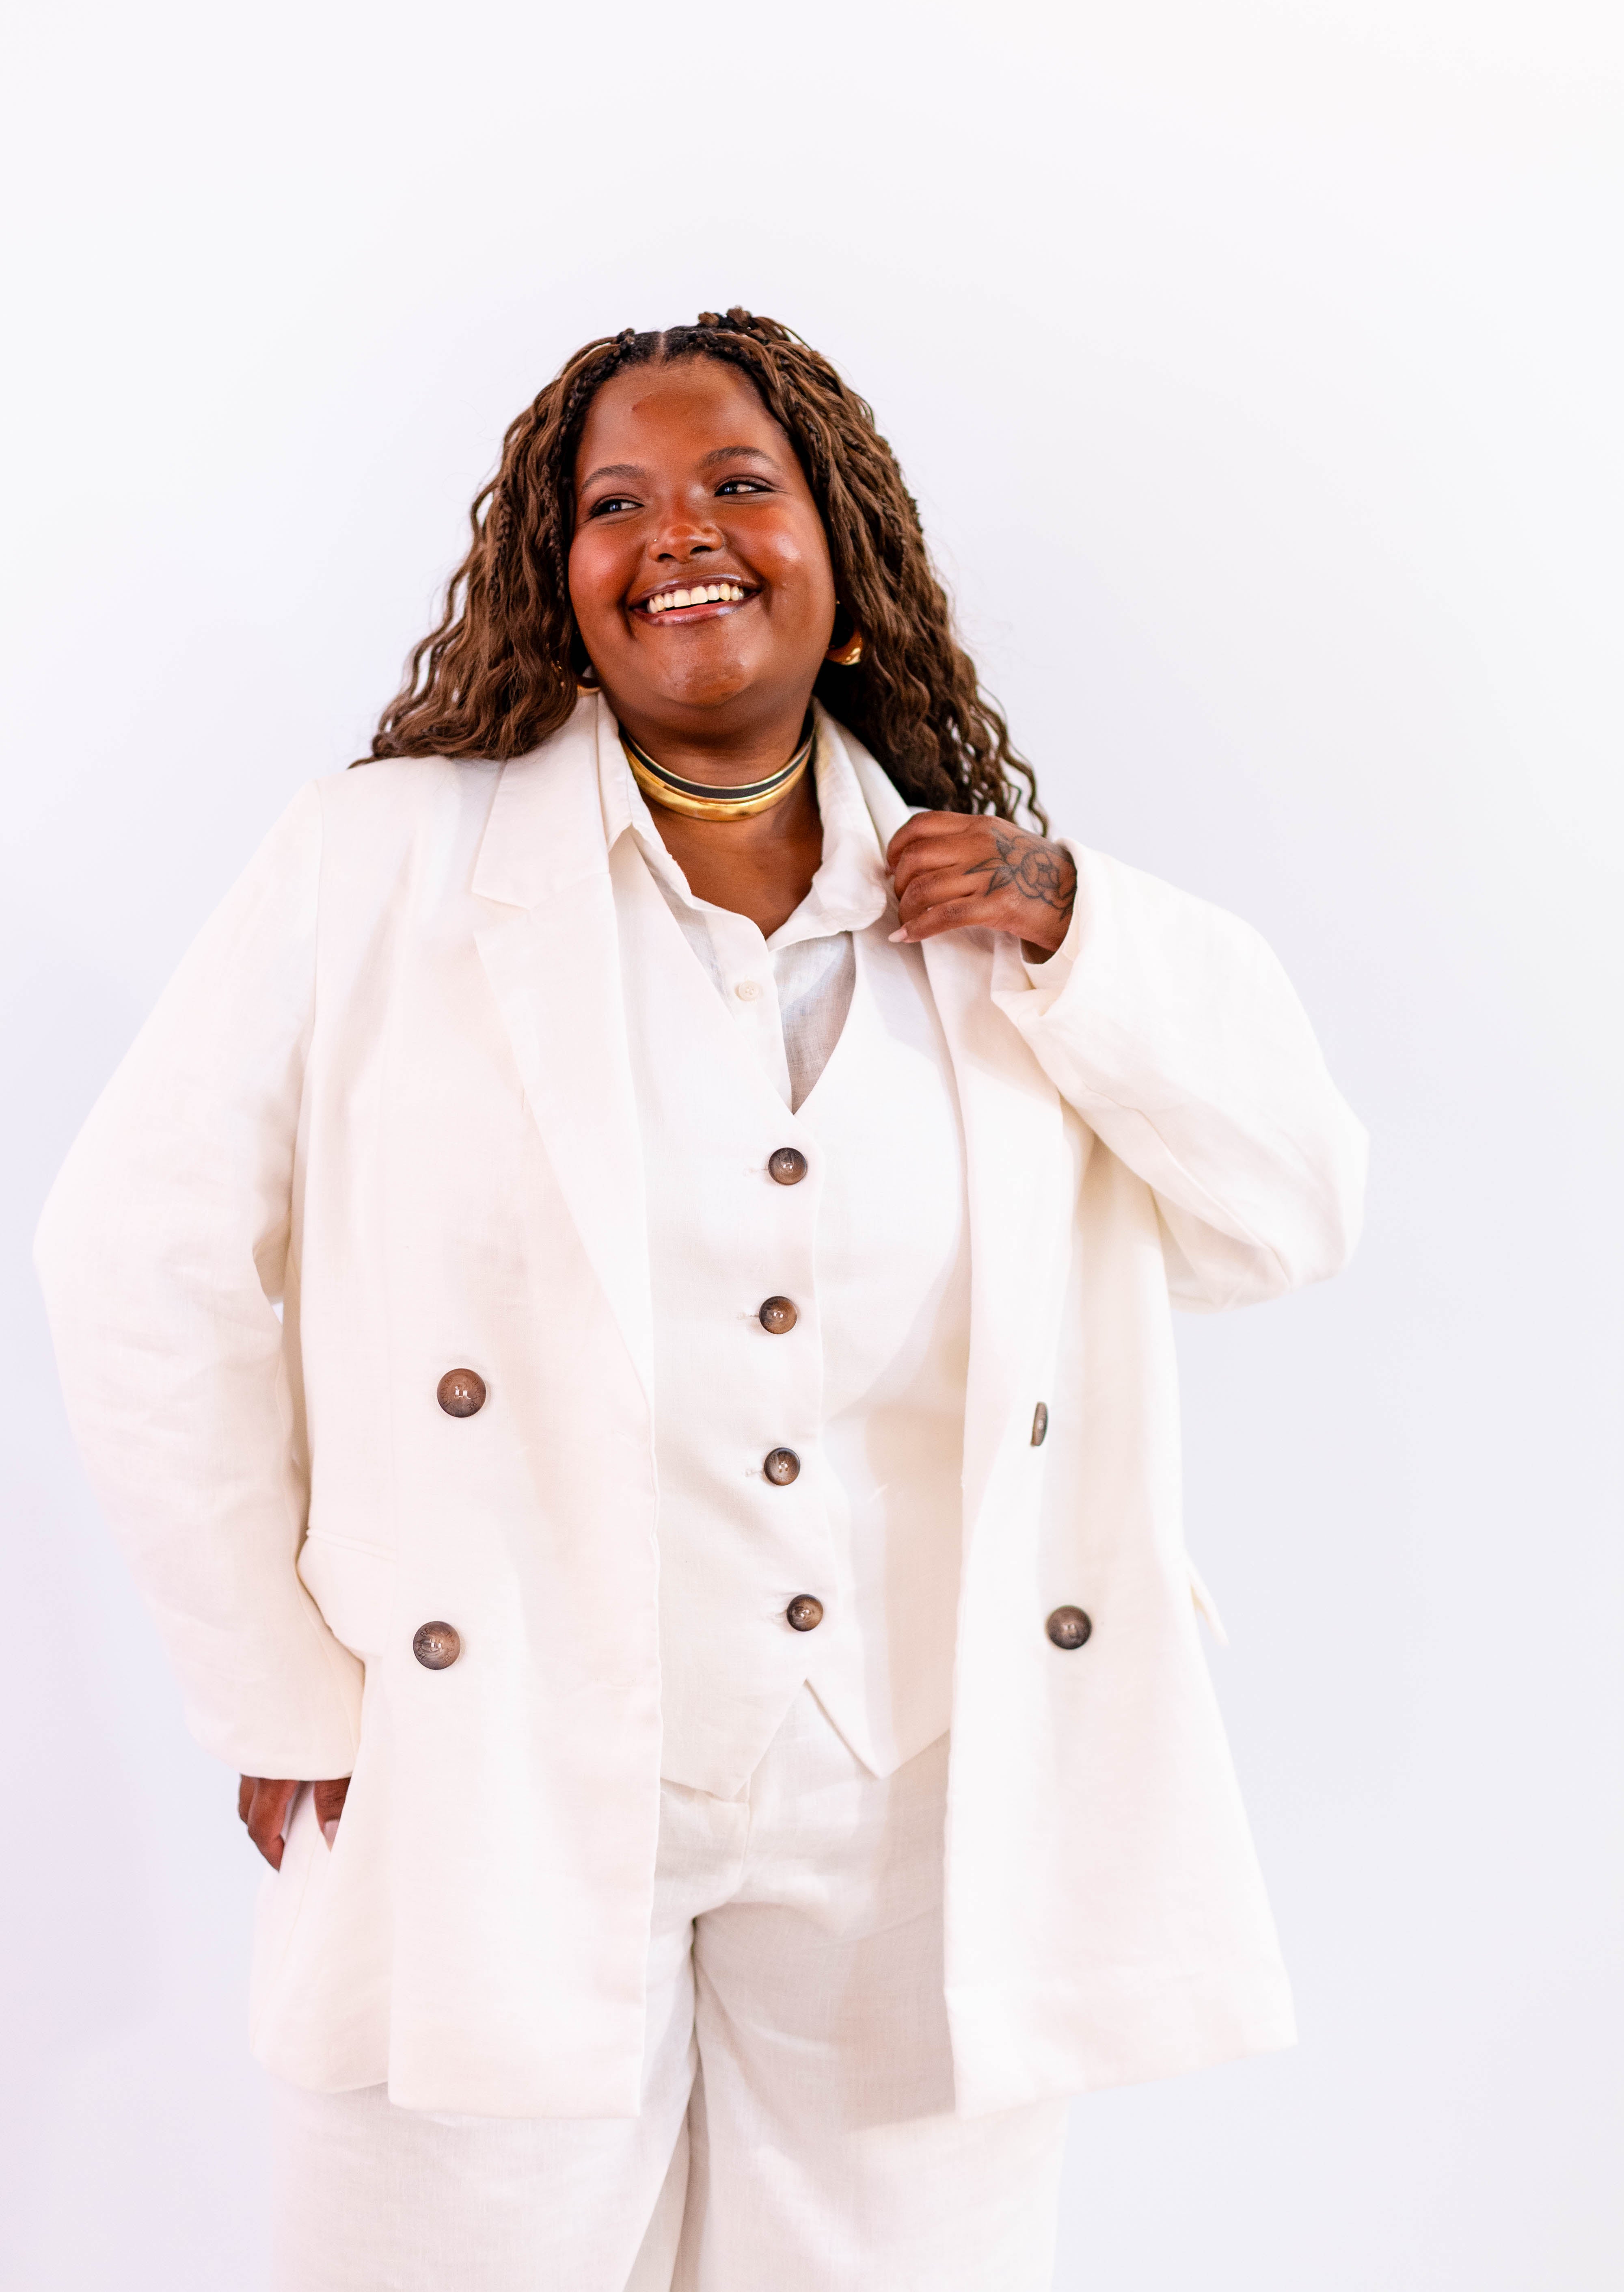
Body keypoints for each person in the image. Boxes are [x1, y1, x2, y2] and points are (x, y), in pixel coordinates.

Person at [36, 308, 1367, 2290]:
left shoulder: (996, 917)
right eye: (617, 503)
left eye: (740, 483)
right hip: (494, 1742)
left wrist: (1078, 925)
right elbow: (137, 1256)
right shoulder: (380, 864)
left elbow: (1288, 1216)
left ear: (845, 562)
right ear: (558, 579)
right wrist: (276, 1678)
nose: (681, 532)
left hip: (913, 1782)